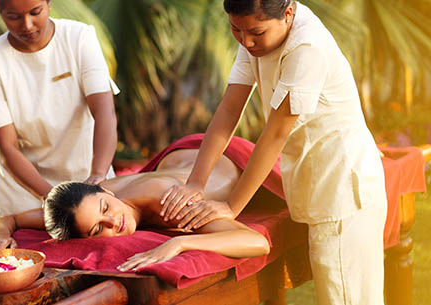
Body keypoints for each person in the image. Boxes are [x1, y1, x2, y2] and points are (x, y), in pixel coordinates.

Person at [160, 1, 387, 304]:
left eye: (256, 32)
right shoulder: (253, 35)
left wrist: (230, 206)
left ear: (288, 13)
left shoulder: (307, 47)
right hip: (319, 182)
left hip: (344, 189)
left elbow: (276, 133)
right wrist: (195, 184)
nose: (246, 41)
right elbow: (228, 111)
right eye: (235, 30)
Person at [0, 147, 271, 271]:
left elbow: (257, 242)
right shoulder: (84, 206)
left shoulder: (170, 205)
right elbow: (10, 218)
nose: (113, 221)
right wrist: (1, 234)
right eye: (97, 229)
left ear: (105, 189)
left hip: (220, 159)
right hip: (178, 162)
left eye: (105, 207)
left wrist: (179, 242)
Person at [0, 0, 118, 219]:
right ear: (0, 11)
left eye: (35, 12)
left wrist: (98, 175)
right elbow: (8, 146)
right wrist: (51, 198)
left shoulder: (79, 38)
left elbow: (104, 112)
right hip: (24, 195)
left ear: (49, 3)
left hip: (89, 185)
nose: (28, 25)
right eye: (13, 17)